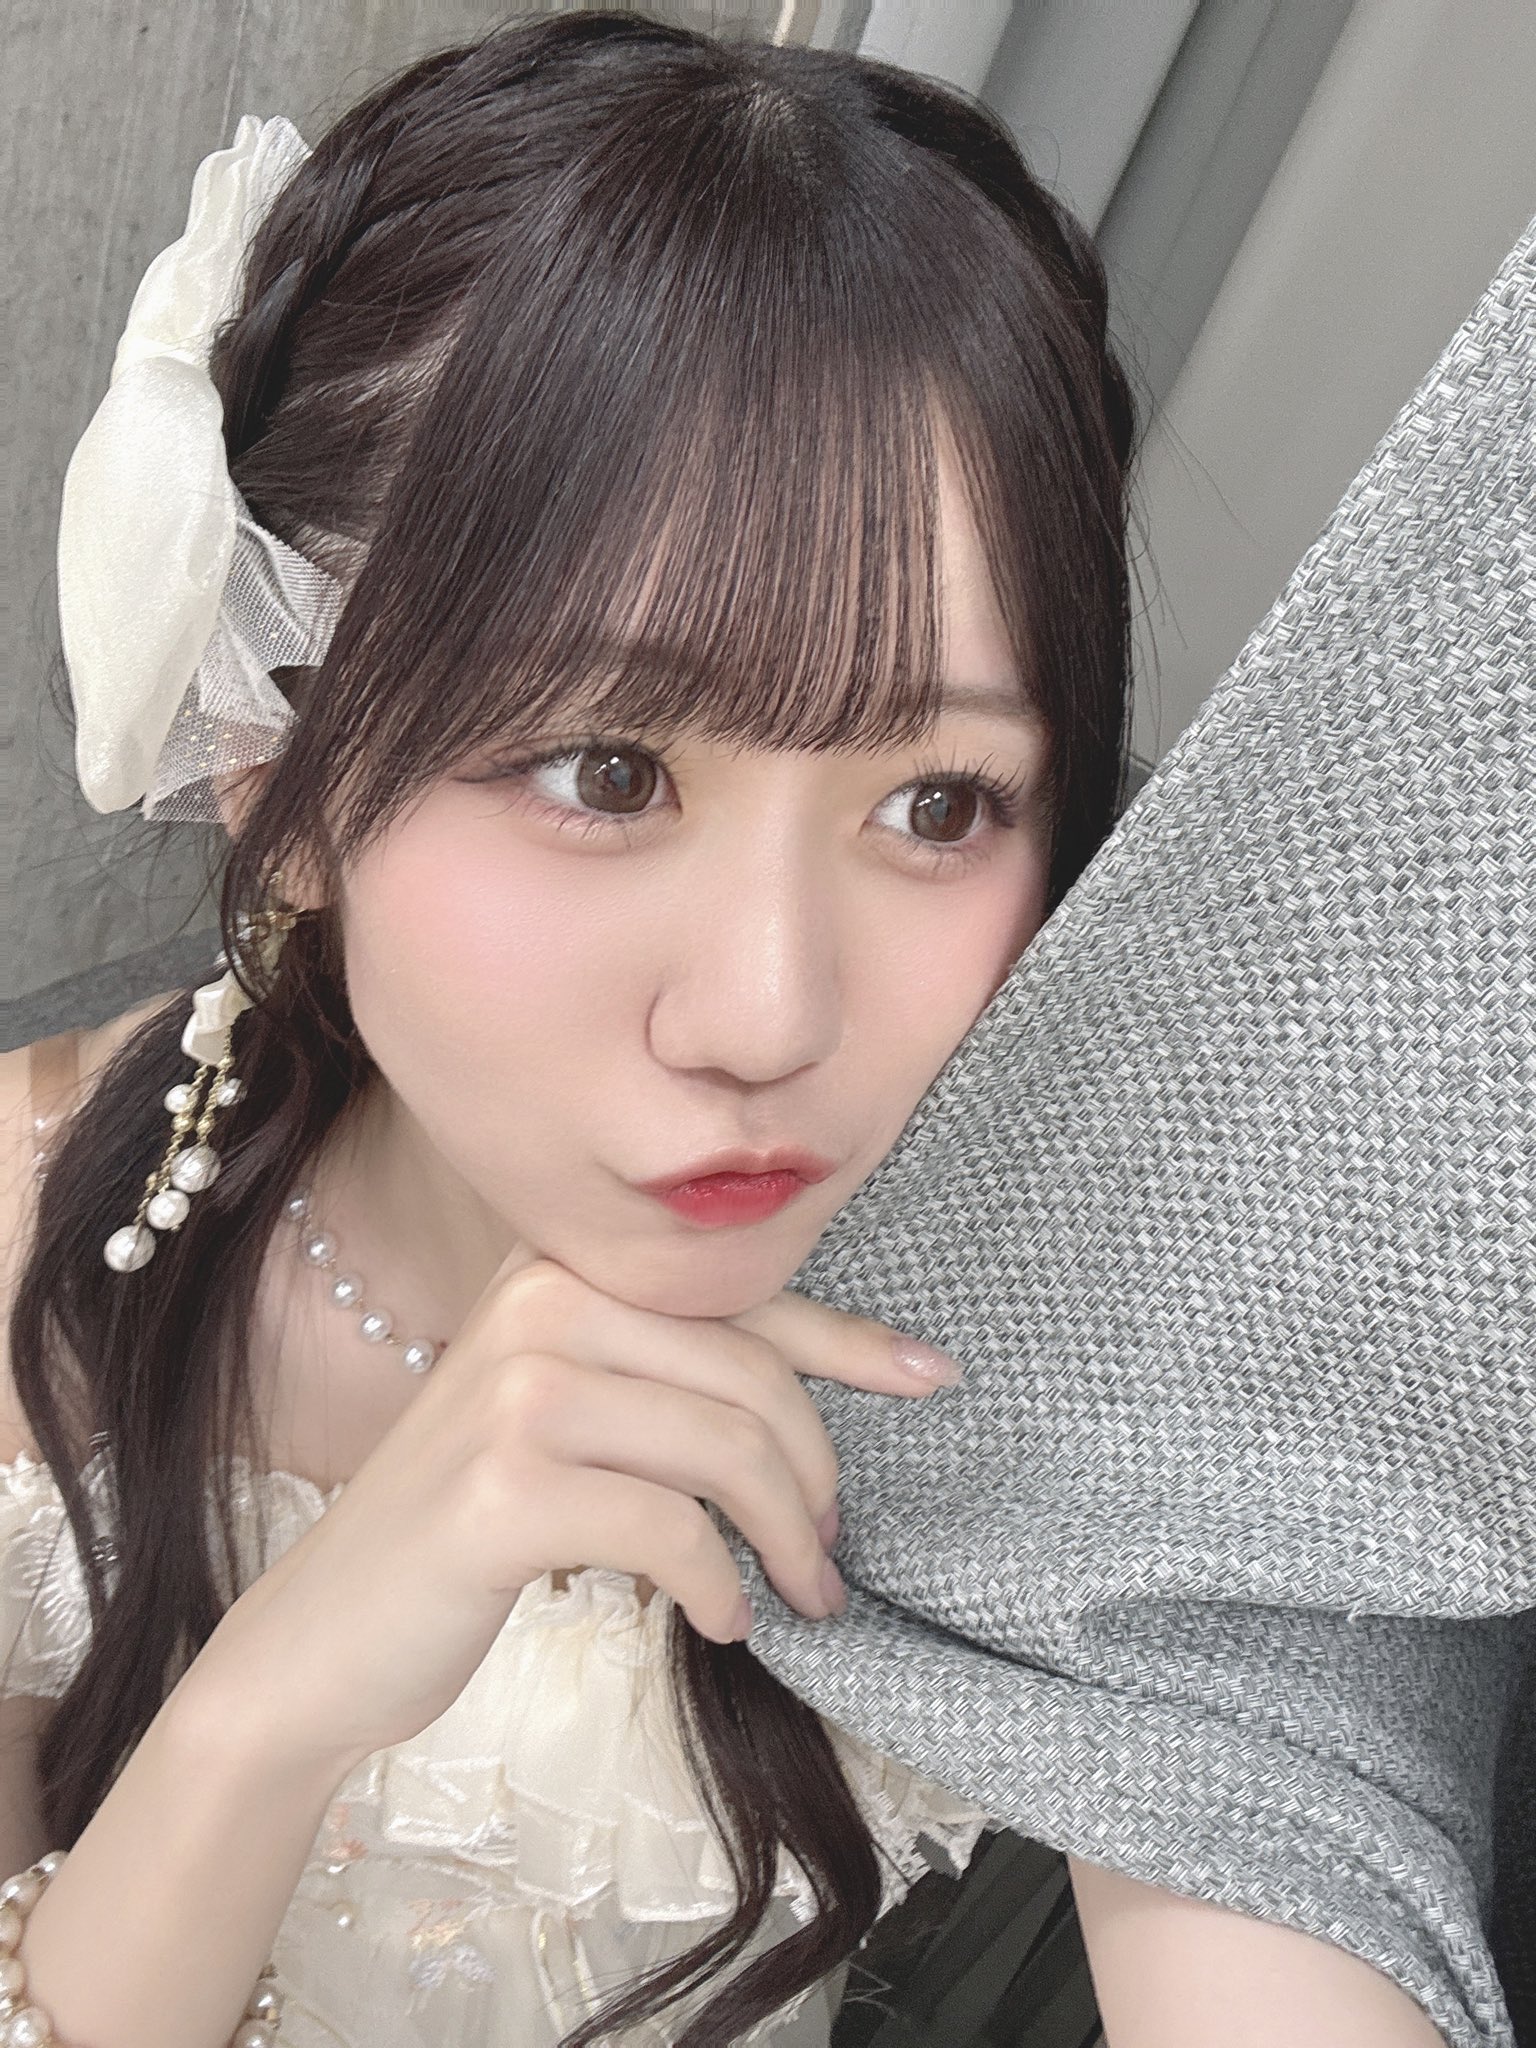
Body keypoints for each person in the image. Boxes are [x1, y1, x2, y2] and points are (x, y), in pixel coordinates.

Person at [1, 14, 1132, 2046]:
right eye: (609, 771)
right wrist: (268, 1710)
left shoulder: (1051, 1348)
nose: (769, 1014)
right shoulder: (29, 1238)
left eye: (938, 802)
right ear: (278, 770)